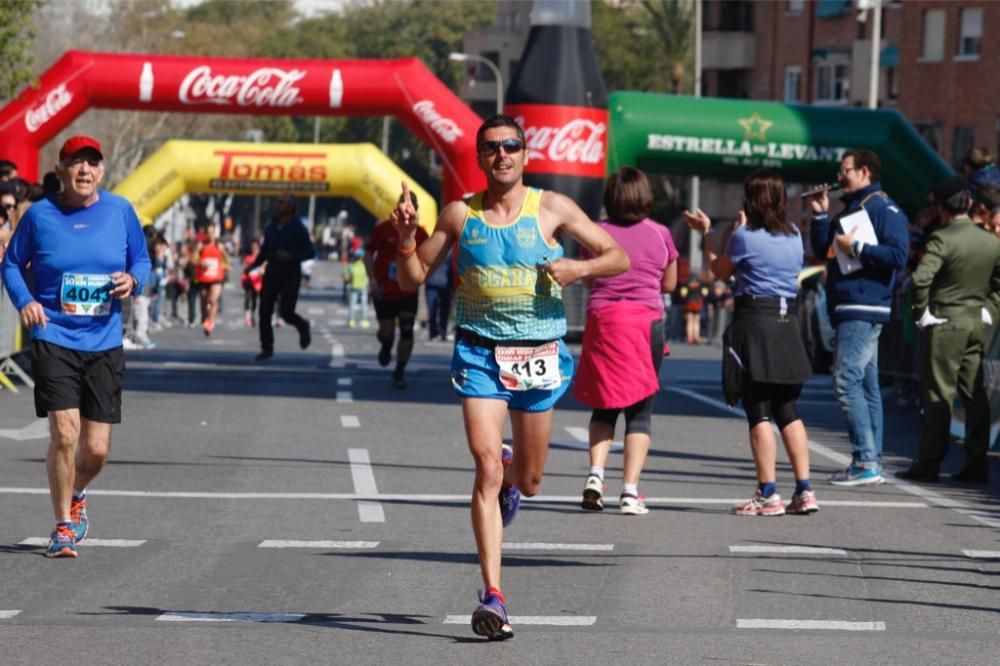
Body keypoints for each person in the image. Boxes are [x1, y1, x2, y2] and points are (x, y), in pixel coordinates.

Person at [389, 114, 629, 640]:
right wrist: (407, 237)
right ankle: (494, 596)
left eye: (511, 146)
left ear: (525, 155)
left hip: (538, 354)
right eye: (492, 147)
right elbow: (411, 280)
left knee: (530, 481)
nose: (501, 155)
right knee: (484, 468)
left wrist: (578, 270)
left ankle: (512, 466)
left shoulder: (553, 208)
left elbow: (619, 255)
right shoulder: (459, 214)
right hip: (478, 353)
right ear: (479, 158)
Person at [0, 135, 151, 558]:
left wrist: (133, 280)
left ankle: (78, 491)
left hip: (103, 340)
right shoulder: (40, 216)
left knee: (97, 450)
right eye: (76, 163)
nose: (84, 170)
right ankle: (62, 526)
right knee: (64, 433)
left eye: (91, 163)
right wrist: (26, 302)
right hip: (53, 335)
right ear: (61, 170)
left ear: (101, 172)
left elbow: (142, 261)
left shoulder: (120, 211)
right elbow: (12, 264)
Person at [685, 169, 817, 517]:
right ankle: (805, 489)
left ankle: (767, 492)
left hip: (755, 320)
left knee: (758, 409)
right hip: (788, 322)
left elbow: (719, 271)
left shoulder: (746, 237)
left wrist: (709, 234)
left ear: (752, 200)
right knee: (788, 409)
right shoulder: (793, 235)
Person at [573, 167, 677, 515]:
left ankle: (594, 476)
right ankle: (630, 492)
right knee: (639, 412)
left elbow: (588, 281)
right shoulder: (661, 234)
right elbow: (669, 285)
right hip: (645, 324)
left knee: (604, 406)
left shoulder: (595, 232)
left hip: (603, 322)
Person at [808, 149, 909, 486]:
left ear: (865, 171)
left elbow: (898, 254)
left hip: (863, 305)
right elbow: (825, 249)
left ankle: (865, 460)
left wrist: (860, 249)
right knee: (866, 385)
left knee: (845, 380)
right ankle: (871, 461)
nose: (840, 177)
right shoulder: (853, 208)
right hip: (851, 304)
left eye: (845, 170)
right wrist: (821, 216)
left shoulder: (883, 207)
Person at [896, 177, 1000, 484]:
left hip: (945, 322)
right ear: (968, 204)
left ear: (942, 209)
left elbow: (920, 279)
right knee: (975, 395)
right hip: (976, 322)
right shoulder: (989, 241)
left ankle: (929, 462)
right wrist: (989, 309)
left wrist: (922, 314)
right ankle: (977, 462)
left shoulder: (942, 239)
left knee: (939, 394)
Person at [365, 193, 429, 389]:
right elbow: (368, 254)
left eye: (412, 206)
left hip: (407, 291)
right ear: (397, 206)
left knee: (407, 330)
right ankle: (386, 344)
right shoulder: (384, 229)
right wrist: (372, 280)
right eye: (404, 204)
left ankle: (399, 371)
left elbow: (427, 260)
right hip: (384, 289)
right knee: (387, 332)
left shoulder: (421, 233)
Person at [244, 192, 314, 361]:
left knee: (286, 312)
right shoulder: (271, 227)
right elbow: (265, 252)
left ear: (290, 207)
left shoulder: (298, 228)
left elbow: (310, 252)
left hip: (290, 275)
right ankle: (267, 347)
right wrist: (251, 267)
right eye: (278, 202)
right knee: (264, 310)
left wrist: (291, 257)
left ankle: (303, 326)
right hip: (272, 274)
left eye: (282, 203)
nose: (278, 205)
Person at [424, 247, 454, 341]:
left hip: (446, 284)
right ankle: (433, 333)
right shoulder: (432, 244)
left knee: (445, 309)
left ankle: (443, 331)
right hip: (432, 283)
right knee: (432, 309)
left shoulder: (452, 247)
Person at [344, 247, 370, 328]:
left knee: (352, 305)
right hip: (363, 287)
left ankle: (351, 321)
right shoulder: (365, 266)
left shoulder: (351, 266)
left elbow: (346, 278)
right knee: (364, 305)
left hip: (353, 287)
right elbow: (369, 277)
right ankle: (364, 321)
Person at [241, 239, 264, 327]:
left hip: (257, 280)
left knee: (254, 299)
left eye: (255, 246)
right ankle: (247, 317)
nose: (254, 248)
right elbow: (244, 265)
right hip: (248, 279)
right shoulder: (248, 256)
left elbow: (264, 265)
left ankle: (252, 315)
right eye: (252, 246)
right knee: (247, 297)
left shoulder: (261, 255)